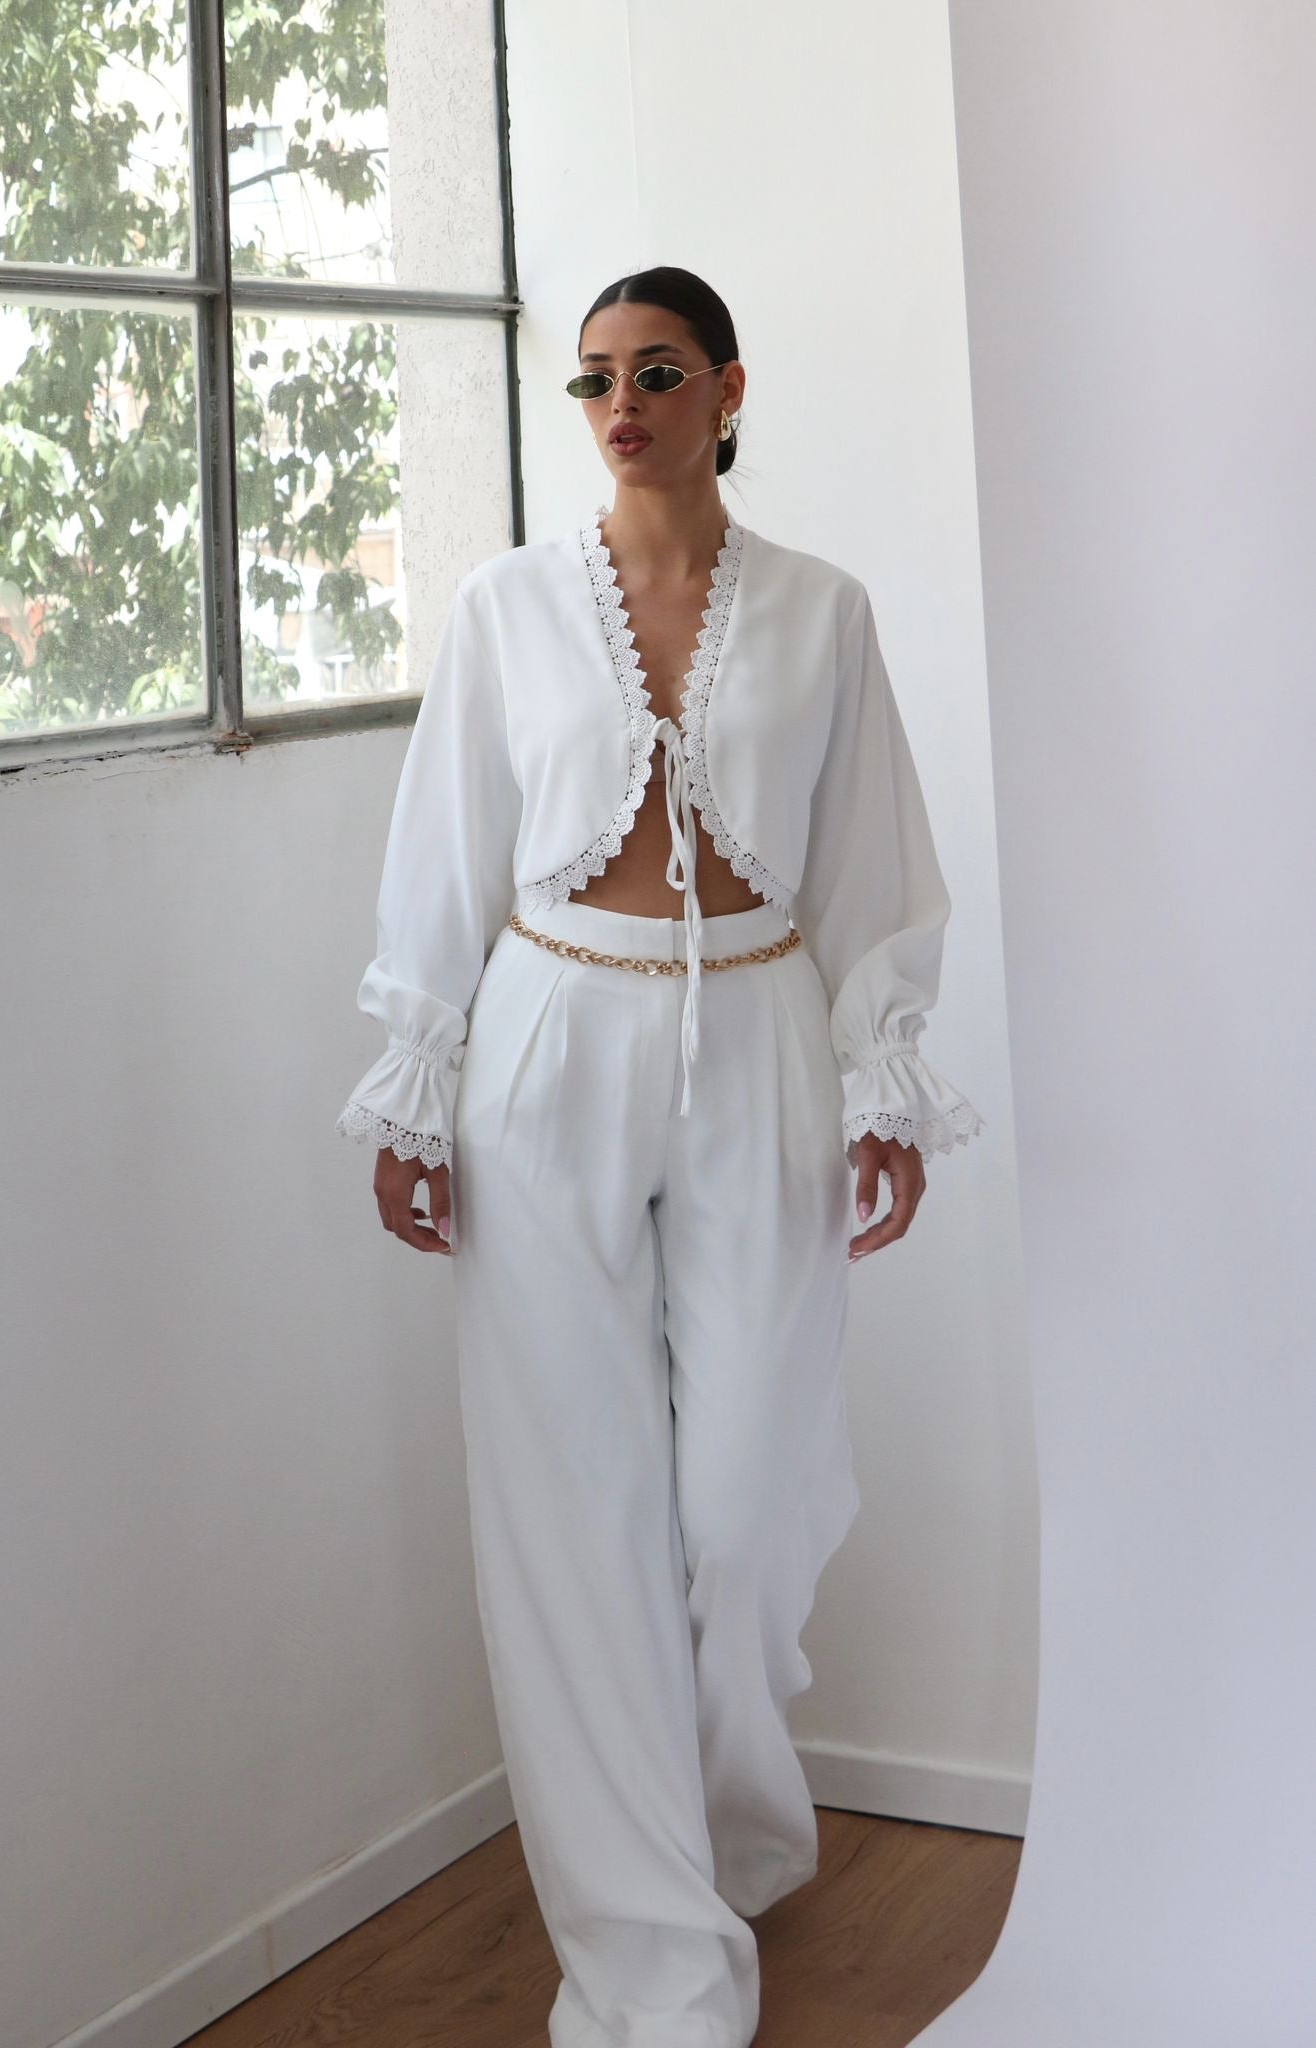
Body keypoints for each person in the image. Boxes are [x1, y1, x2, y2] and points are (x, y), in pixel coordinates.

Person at [335, 265, 984, 2048]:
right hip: (543, 1044)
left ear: (727, 391)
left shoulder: (824, 611)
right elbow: (443, 852)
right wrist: (416, 1084)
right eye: (594, 379)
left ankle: (729, 1829)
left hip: (759, 1035)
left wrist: (879, 1084)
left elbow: (871, 861)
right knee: (573, 1516)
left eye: (658, 372)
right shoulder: (503, 609)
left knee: (744, 1508)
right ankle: (649, 1961)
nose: (620, 406)